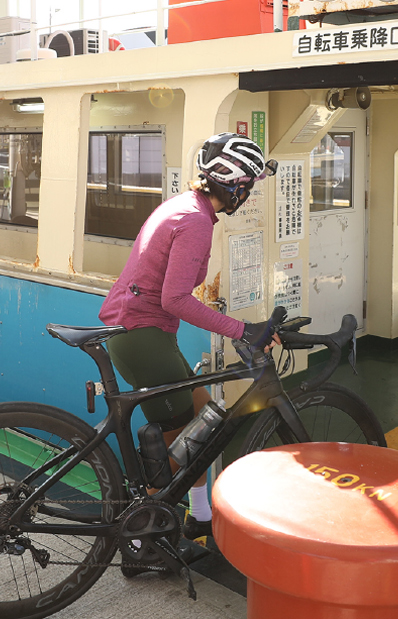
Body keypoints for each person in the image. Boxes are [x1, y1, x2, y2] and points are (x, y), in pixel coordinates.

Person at [98, 133, 278, 544]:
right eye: (248, 186)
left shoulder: (185, 208)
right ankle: (144, 538)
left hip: (146, 333)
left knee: (204, 423)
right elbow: (175, 298)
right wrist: (241, 330)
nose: (248, 195)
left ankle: (198, 516)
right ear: (235, 185)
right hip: (141, 335)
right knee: (176, 440)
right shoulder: (195, 221)